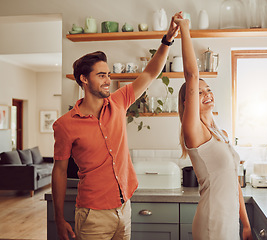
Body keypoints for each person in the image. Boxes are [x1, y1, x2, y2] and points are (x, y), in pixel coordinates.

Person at [51, 14, 180, 240]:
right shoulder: (65, 125)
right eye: (101, 75)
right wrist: (59, 219)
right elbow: (59, 172)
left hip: (124, 207)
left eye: (108, 74)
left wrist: (167, 39)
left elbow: (150, 73)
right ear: (83, 79)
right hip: (93, 215)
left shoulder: (119, 101)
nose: (108, 80)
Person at [174, 13, 253, 240]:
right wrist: (185, 29)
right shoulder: (194, 132)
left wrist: (245, 224)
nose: (206, 93)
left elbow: (233, 182)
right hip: (212, 221)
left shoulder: (222, 134)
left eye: (208, 89)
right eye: (198, 92)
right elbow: (191, 74)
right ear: (187, 103)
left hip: (230, 220)